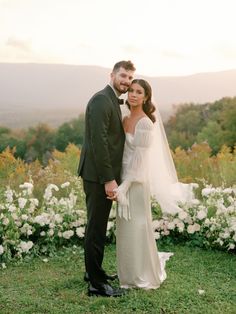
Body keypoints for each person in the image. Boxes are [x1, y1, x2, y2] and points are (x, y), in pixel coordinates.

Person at [114, 79, 193, 289]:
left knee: (137, 225)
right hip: (122, 178)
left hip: (136, 182)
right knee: (124, 226)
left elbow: (139, 162)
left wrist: (125, 186)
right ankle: (127, 273)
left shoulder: (146, 123)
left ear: (146, 97)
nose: (133, 95)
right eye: (131, 90)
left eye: (139, 92)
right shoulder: (125, 117)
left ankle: (141, 274)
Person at [78, 60, 136, 297]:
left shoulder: (112, 99)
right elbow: (98, 143)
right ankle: (96, 284)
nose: (126, 81)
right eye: (123, 76)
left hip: (101, 174)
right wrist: (109, 179)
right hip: (97, 175)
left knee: (98, 225)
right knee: (96, 227)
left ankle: (94, 271)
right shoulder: (102, 99)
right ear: (111, 74)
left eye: (130, 78)